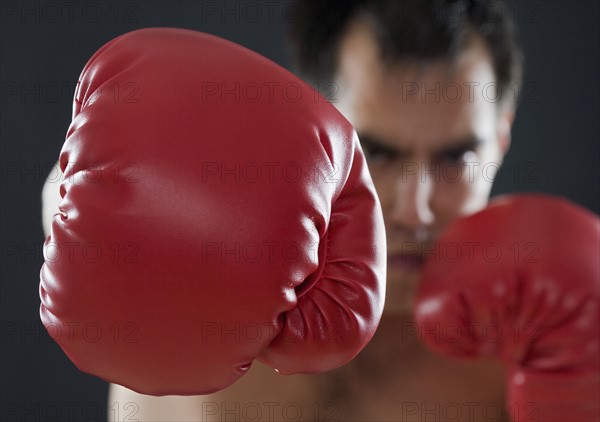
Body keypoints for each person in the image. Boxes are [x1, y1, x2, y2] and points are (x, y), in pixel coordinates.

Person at [40, 0, 534, 420]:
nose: (415, 208)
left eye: (456, 158)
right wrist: (69, 202)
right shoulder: (209, 250)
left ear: (503, 139)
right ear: (314, 124)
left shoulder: (531, 346)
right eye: (376, 152)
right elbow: (83, 187)